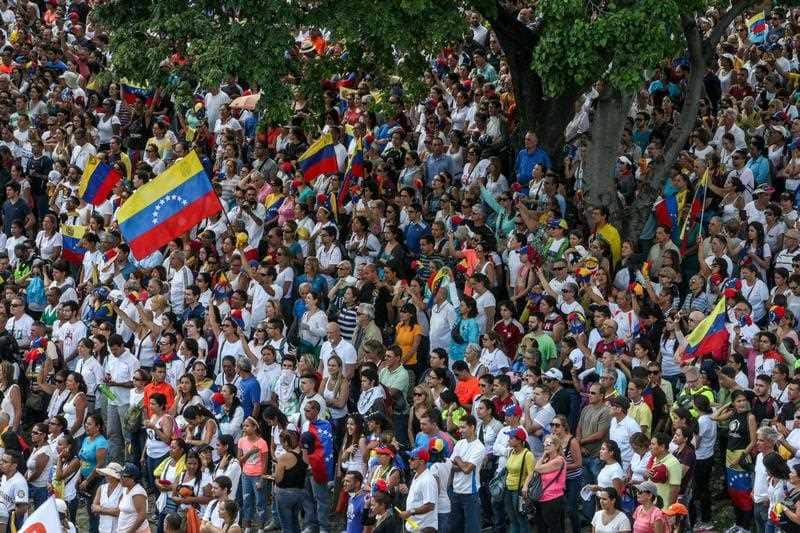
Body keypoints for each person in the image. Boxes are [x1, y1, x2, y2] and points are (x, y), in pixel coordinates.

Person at [237, 416, 269, 531]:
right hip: (246, 475)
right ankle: (247, 526)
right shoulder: (241, 441)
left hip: (258, 476)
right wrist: (250, 452)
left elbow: (265, 463)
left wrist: (262, 478)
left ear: (255, 427)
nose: (245, 428)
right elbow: (239, 460)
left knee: (260, 501)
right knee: (247, 501)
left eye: (247, 426)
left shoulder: (262, 443)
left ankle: (261, 526)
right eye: (244, 426)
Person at [503, 427, 534, 533]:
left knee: (521, 519)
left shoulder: (527, 454)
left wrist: (525, 486)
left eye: (511, 438)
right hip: (508, 489)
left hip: (518, 491)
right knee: (512, 519)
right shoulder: (511, 452)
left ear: (519, 440)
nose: (509, 440)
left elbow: (531, 473)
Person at [91, 462, 124, 533]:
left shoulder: (123, 490)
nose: (106, 476)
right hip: (103, 528)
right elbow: (93, 507)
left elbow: (118, 512)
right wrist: (110, 511)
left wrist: (100, 510)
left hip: (118, 529)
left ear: (115, 477)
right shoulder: (101, 488)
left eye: (108, 474)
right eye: (106, 474)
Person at [118, 463, 149, 533]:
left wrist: (130, 531)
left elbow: (142, 516)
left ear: (133, 478)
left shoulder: (137, 492)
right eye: (120, 475)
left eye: (124, 476)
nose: (121, 478)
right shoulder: (125, 489)